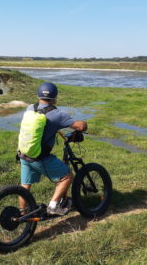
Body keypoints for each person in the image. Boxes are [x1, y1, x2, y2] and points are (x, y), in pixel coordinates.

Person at [18, 82, 88, 216]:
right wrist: (85, 124)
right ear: (55, 97)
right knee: (67, 176)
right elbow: (79, 126)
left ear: (39, 95)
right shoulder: (58, 114)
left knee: (25, 185)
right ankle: (53, 206)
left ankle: (22, 213)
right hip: (39, 158)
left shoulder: (30, 108)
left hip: (24, 154)